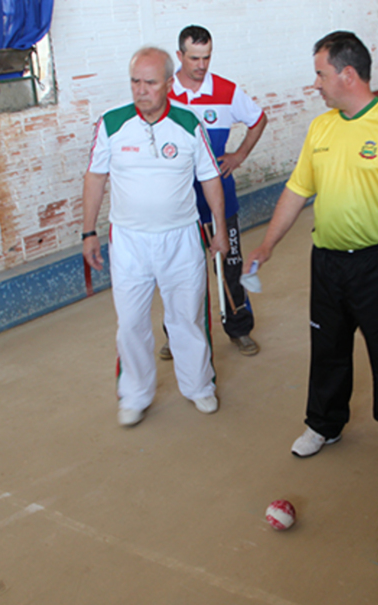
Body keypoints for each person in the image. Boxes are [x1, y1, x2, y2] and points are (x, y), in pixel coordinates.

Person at [244, 31, 378, 471]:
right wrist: (268, 244)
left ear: (347, 75)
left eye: (320, 74)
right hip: (327, 263)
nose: (316, 84)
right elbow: (297, 190)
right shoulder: (321, 128)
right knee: (327, 348)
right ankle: (323, 424)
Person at [81, 47, 228, 428]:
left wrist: (222, 227)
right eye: (134, 82)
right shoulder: (111, 124)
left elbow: (210, 177)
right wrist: (88, 231)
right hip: (128, 242)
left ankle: (198, 386)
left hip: (181, 239)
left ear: (167, 82)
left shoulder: (187, 123)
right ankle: (135, 394)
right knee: (130, 322)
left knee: (187, 318)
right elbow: (95, 177)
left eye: (149, 82)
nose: (140, 90)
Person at [162, 25, 269, 358]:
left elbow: (258, 119)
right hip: (178, 204)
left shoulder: (226, 90)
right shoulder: (163, 92)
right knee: (179, 273)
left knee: (231, 264)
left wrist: (238, 155)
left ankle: (239, 329)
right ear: (179, 56)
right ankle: (176, 335)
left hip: (222, 199)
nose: (201, 65)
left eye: (207, 57)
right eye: (194, 58)